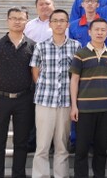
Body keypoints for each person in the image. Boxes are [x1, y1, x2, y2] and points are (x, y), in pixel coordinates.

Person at [0, 6, 35, 178]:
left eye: (21, 18)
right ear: (7, 20)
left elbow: (35, 74)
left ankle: (18, 175)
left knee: (21, 143)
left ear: (26, 21)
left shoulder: (33, 46)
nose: (17, 21)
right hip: (1, 99)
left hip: (24, 99)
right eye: (13, 18)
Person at [30, 9, 81, 178]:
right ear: (50, 24)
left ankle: (61, 175)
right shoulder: (40, 46)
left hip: (66, 102)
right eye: (55, 21)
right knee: (42, 145)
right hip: (45, 101)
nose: (59, 24)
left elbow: (77, 74)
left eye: (62, 21)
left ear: (68, 24)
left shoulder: (76, 46)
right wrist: (45, 86)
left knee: (62, 145)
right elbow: (35, 72)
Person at [70, 19, 107, 178]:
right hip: (84, 109)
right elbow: (74, 80)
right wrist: (74, 106)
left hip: (105, 108)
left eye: (103, 30)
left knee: (101, 148)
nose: (100, 33)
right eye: (96, 29)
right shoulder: (81, 54)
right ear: (89, 32)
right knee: (81, 149)